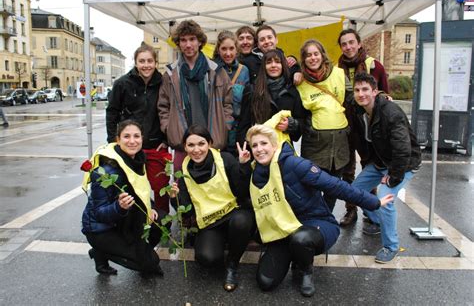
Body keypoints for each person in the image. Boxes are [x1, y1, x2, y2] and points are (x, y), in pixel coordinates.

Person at [238, 124, 394, 297]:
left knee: (301, 239)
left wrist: (373, 202)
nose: (259, 149)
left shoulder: (294, 164)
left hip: (315, 223)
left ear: (274, 146)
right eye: (254, 145)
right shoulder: (255, 172)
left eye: (264, 143)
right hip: (283, 230)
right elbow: (245, 199)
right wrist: (243, 167)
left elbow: (336, 186)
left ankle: (305, 271)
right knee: (265, 282)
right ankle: (292, 254)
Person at [169, 124, 255, 292]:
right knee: (207, 259)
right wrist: (175, 198)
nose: (196, 150)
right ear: (185, 147)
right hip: (210, 223)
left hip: (234, 213)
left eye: (201, 144)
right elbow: (187, 210)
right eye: (191, 145)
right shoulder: (182, 172)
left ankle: (232, 265)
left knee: (242, 222)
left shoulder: (225, 159)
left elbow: (242, 192)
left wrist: (243, 166)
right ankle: (223, 242)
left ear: (209, 143)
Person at [351, 72, 421, 263]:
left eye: (365, 89)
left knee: (385, 200)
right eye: (357, 90)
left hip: (403, 164)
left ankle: (391, 246)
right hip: (380, 161)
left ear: (375, 91)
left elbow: (403, 149)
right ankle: (378, 221)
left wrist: (393, 176)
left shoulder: (391, 113)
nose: (361, 94)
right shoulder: (359, 110)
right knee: (355, 191)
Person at [81, 120, 164, 276]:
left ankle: (138, 253)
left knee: (160, 222)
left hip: (123, 221)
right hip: (101, 229)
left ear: (142, 138)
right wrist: (119, 207)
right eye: (126, 136)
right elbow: (99, 213)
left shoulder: (138, 159)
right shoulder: (105, 171)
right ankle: (101, 251)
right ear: (117, 140)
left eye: (136, 136)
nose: (132, 141)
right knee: (151, 263)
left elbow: (141, 190)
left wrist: (150, 207)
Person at [158, 20, 233, 167]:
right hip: (182, 142)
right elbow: (163, 106)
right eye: (183, 40)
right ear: (178, 43)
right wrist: (169, 128)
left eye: (192, 39)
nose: (188, 44)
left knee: (212, 186)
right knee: (182, 184)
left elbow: (228, 102)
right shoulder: (170, 74)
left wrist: (225, 125)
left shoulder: (216, 71)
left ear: (200, 42)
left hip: (212, 141)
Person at [106, 43, 171, 213]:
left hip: (155, 144)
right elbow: (112, 112)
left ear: (156, 62)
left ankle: (162, 221)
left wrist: (166, 139)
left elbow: (170, 111)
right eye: (142, 61)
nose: (146, 65)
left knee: (161, 187)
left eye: (150, 61)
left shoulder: (164, 83)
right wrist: (114, 140)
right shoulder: (122, 83)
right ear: (135, 63)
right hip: (130, 146)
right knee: (129, 187)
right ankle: (135, 221)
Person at [337, 28, 390, 226]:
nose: (348, 47)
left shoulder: (373, 65)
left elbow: (384, 93)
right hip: (346, 126)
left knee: (370, 167)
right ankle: (351, 210)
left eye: (352, 42)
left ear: (359, 43)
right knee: (348, 171)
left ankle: (371, 207)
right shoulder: (337, 69)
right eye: (344, 44)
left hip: (368, 126)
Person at [297, 39, 353, 212]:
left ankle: (326, 216)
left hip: (339, 144)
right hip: (315, 145)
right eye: (308, 55)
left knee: (333, 187)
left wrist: (379, 95)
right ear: (303, 59)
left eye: (316, 53)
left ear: (322, 55)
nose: (313, 58)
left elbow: (353, 99)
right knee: (312, 184)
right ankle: (314, 218)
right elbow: (298, 111)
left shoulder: (339, 74)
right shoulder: (299, 80)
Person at [238, 49, 305, 145]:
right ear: (264, 67)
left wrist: (290, 125)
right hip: (258, 148)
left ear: (283, 66)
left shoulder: (292, 91)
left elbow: (301, 123)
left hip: (284, 149)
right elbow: (244, 124)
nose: (273, 65)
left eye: (277, 62)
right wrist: (246, 147)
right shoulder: (252, 90)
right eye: (269, 62)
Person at [212, 30, 251, 154]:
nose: (228, 53)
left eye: (231, 48)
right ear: (218, 49)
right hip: (218, 130)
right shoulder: (212, 69)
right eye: (224, 49)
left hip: (239, 131)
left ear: (236, 49)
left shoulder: (244, 71)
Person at [236, 24, 302, 85]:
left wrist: (297, 70)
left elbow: (293, 70)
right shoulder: (247, 62)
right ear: (258, 44)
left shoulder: (282, 56)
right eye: (262, 39)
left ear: (276, 40)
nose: (267, 41)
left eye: (269, 37)